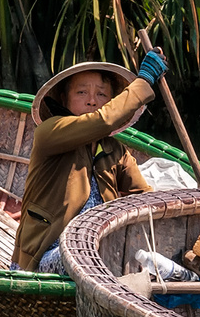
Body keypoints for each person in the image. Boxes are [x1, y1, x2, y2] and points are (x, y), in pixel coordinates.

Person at [11, 51, 167, 274]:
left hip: (99, 250)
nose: (92, 100)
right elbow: (103, 120)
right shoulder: (50, 132)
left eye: (102, 95)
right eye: (81, 92)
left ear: (112, 101)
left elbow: (143, 197)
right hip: (46, 258)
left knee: (136, 256)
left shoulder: (115, 150)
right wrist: (143, 82)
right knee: (89, 253)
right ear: (64, 99)